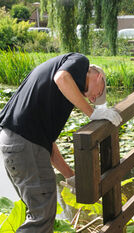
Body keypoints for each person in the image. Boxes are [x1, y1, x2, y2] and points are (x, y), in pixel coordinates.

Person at [0, 53, 122, 232]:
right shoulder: (79, 61)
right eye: (99, 93)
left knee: (40, 214)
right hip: (24, 145)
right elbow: (62, 77)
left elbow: (46, 142)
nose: (94, 99)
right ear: (98, 76)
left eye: (95, 100)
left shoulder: (61, 96)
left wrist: (70, 176)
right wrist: (92, 113)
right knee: (42, 217)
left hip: (17, 143)